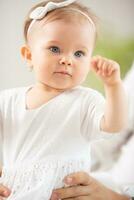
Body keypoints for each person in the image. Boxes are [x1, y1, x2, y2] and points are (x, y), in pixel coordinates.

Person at [0, 0, 127, 199]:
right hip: (15, 192)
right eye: (55, 49)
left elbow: (113, 125)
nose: (67, 59)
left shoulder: (86, 100)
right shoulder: (8, 101)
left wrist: (113, 86)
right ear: (28, 55)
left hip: (67, 192)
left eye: (79, 53)